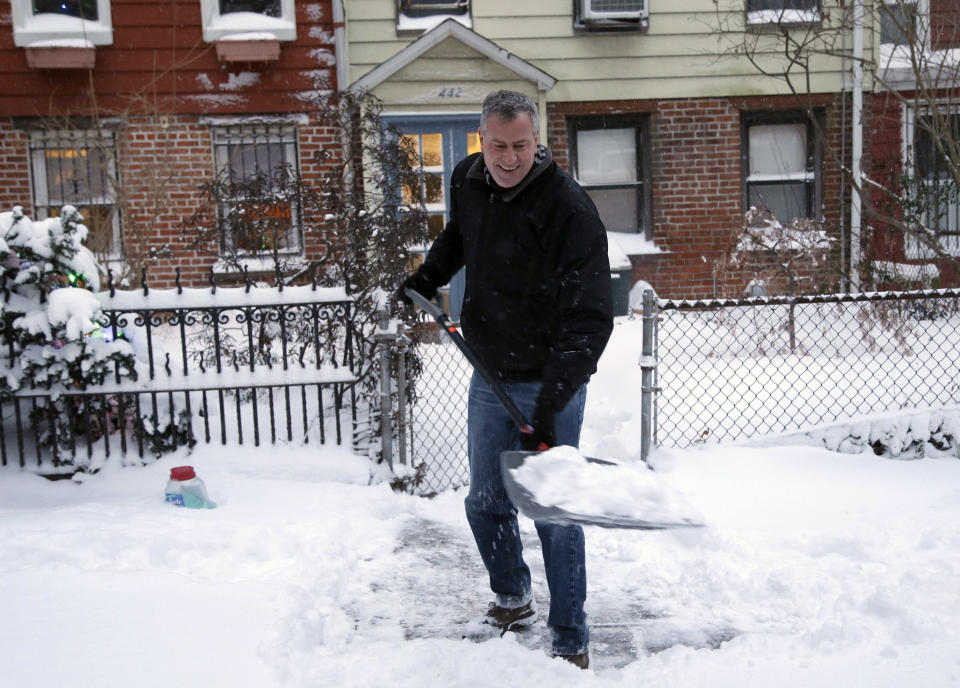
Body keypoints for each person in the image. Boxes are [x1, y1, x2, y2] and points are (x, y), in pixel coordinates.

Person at [396, 90, 613, 669]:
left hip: (551, 378)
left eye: (521, 145)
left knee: (554, 514)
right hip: (489, 369)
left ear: (537, 140)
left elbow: (590, 315)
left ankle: (569, 636)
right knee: (485, 502)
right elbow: (461, 237)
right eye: (498, 146)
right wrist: (429, 274)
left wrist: (554, 397)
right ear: (481, 141)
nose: (509, 157)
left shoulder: (569, 208)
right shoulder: (469, 177)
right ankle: (512, 594)